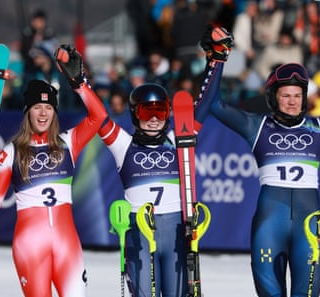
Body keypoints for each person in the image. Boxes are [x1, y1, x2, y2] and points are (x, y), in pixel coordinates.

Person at [209, 46, 320, 296]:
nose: (292, 101)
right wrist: (217, 58)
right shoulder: (257, 126)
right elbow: (213, 104)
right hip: (269, 226)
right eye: (286, 95)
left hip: (308, 226)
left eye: (297, 96)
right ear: (273, 97)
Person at [96, 26, 233, 297]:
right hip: (138, 235)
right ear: (136, 115)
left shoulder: (178, 138)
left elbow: (204, 104)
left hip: (176, 233)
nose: (155, 118)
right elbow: (99, 117)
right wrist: (80, 84)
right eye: (148, 111)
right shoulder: (124, 144)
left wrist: (216, 60)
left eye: (160, 111)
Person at [0, 45, 108, 297]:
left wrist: (78, 82)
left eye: (49, 108)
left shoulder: (68, 143)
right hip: (30, 246)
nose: (43, 113)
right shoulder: (11, 152)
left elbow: (99, 116)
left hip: (67, 244)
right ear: (27, 111)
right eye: (37, 108)